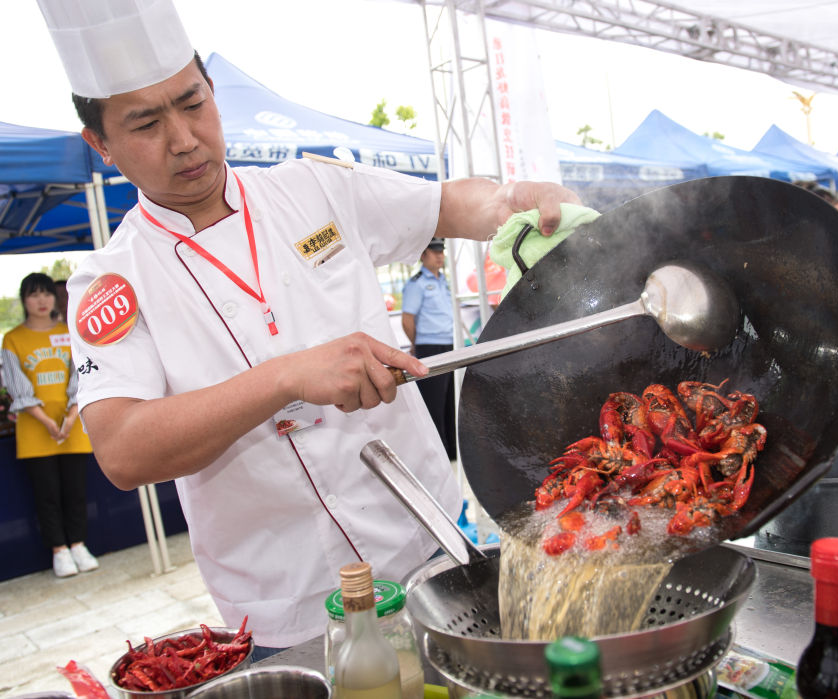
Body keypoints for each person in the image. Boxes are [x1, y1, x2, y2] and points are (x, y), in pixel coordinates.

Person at [38, 0, 579, 659]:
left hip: (430, 546)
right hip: (286, 608)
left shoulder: (311, 190)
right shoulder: (110, 280)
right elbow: (124, 450)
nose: (183, 139)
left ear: (211, 89)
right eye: (147, 123)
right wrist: (285, 377)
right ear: (100, 143)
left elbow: (447, 204)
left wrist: (509, 201)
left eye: (193, 103)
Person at [0, 272, 98, 578]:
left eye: (46, 293)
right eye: (34, 294)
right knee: (47, 495)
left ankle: (79, 545)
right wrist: (46, 420)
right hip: (35, 429)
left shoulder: (69, 332)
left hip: (72, 425)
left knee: (75, 490)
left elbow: (81, 375)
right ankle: (59, 551)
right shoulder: (12, 339)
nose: (41, 300)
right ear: (24, 300)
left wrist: (70, 416)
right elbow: (17, 386)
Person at [401, 238, 456, 460]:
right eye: (435, 251)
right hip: (430, 347)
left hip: (450, 344)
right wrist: (417, 344)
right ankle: (439, 454)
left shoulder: (443, 281)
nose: (440, 255)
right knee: (434, 403)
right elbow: (407, 319)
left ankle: (453, 451)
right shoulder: (417, 284)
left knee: (452, 401)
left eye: (441, 251)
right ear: (423, 254)